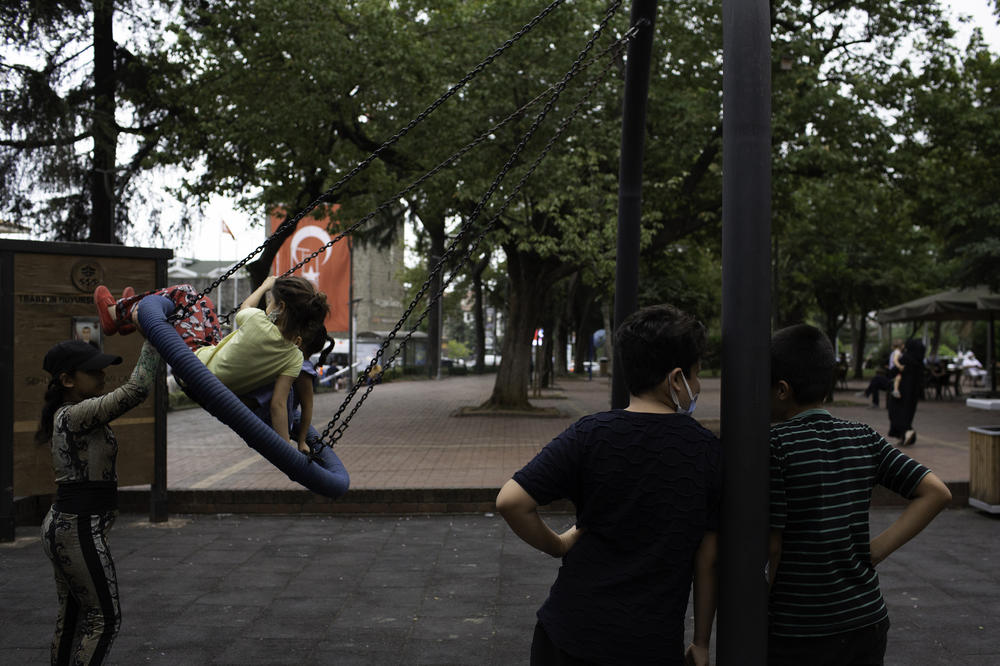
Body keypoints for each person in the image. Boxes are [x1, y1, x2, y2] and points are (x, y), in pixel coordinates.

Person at [496, 304, 721, 666]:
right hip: (649, 643)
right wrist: (701, 641)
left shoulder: (591, 433)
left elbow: (511, 501)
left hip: (568, 632)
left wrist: (558, 544)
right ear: (676, 379)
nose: (697, 387)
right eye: (696, 376)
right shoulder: (707, 451)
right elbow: (707, 559)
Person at [767, 324, 952, 666]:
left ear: (781, 390)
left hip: (799, 628)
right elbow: (936, 493)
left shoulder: (776, 445)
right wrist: (874, 551)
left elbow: (774, 547)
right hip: (866, 618)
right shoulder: (863, 436)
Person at [95, 275, 329, 453]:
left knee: (186, 294)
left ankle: (115, 313)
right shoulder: (294, 356)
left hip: (193, 365)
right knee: (204, 302)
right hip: (213, 361)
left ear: (281, 308)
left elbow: (245, 307)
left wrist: (266, 285)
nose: (267, 305)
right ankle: (130, 313)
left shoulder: (257, 321)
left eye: (271, 301)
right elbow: (279, 405)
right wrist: (285, 449)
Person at [36, 338, 161, 665]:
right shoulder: (75, 415)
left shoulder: (69, 415)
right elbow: (136, 390)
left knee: (74, 619)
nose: (103, 377)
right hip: (77, 528)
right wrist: (156, 337)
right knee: (104, 619)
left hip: (67, 525)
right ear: (67, 380)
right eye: (93, 372)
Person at [887, 338, 924, 447]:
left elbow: (893, 371)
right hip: (913, 392)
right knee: (908, 413)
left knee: (895, 412)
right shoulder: (919, 361)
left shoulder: (906, 358)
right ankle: (905, 435)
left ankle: (907, 432)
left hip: (901, 391)